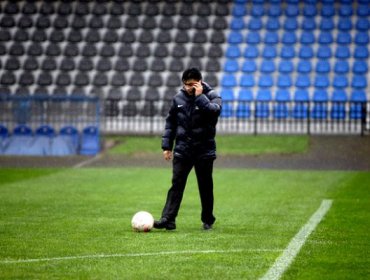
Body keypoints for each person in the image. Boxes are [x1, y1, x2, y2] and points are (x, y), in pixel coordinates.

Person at [154, 68, 222, 231]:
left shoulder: (213, 96)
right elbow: (171, 123)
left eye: (192, 84)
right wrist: (167, 146)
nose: (189, 88)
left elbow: (214, 112)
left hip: (204, 151)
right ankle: (168, 219)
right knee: (176, 184)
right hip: (183, 150)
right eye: (186, 85)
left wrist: (200, 97)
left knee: (205, 186)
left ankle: (208, 220)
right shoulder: (178, 98)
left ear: (200, 82)